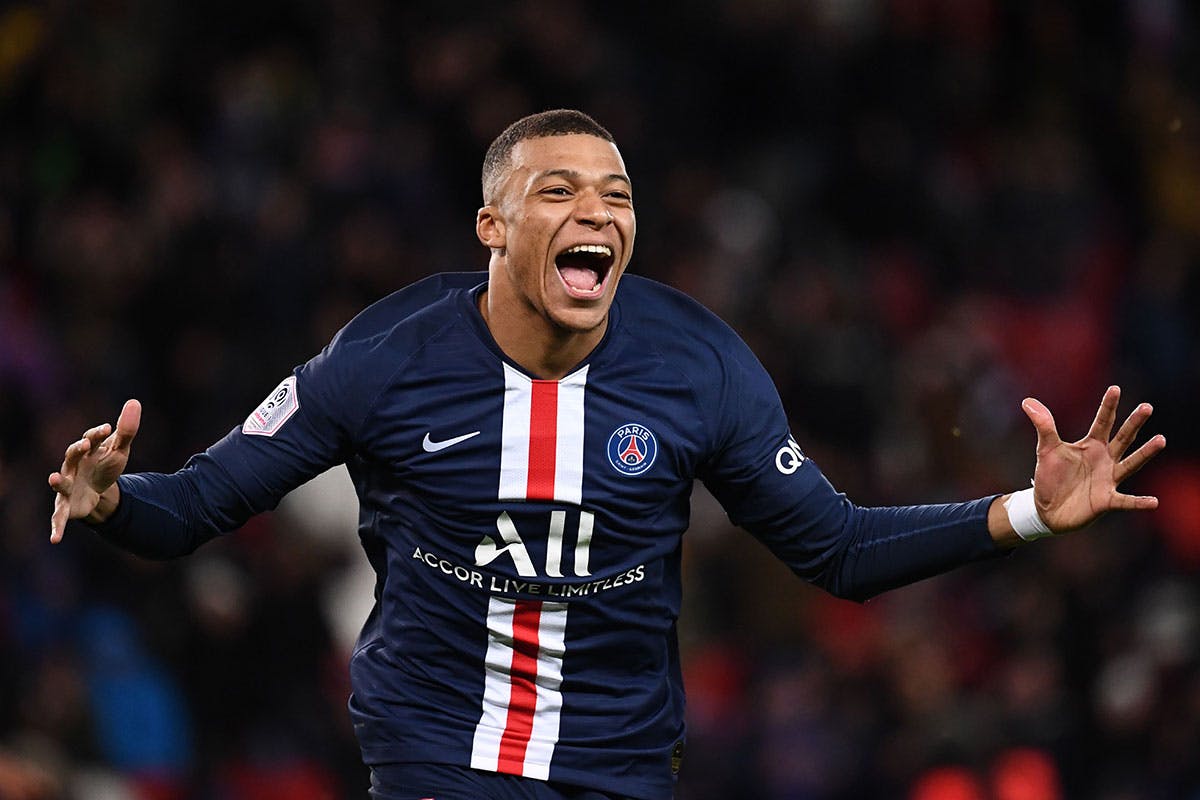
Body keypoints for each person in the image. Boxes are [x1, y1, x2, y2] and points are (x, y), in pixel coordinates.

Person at [48, 110, 1166, 800]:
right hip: (443, 752)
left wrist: (1026, 509)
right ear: (492, 228)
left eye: (617, 193)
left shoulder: (700, 364)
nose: (599, 209)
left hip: (621, 766)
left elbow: (837, 549)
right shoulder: (382, 359)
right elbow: (193, 506)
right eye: (560, 189)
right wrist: (110, 500)